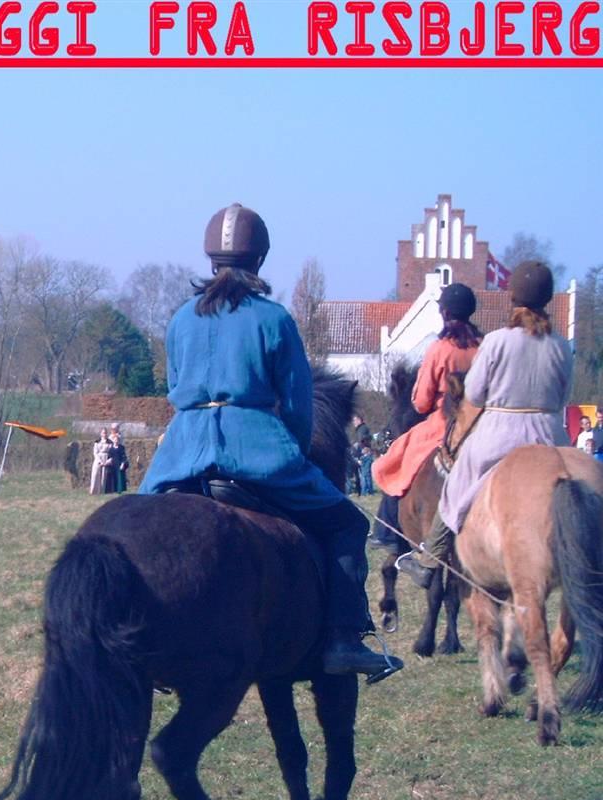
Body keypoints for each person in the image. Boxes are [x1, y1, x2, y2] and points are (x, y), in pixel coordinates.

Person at [140, 202, 402, 681]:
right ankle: (343, 640)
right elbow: (300, 408)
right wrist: (294, 451)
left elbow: (175, 388)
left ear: (210, 259)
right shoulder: (274, 319)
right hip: (255, 450)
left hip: (183, 450)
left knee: (139, 524)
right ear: (259, 260)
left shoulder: (180, 319)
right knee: (346, 524)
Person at [398, 261, 573, 589]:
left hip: (501, 431)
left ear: (513, 297)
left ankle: (430, 559)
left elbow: (475, 392)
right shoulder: (562, 345)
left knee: (455, 483)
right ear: (548, 298)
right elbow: (564, 395)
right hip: (552, 434)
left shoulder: (497, 341)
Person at [369, 284, 482, 550]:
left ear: (444, 312)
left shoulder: (440, 348)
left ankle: (386, 532)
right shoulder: (484, 346)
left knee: (396, 459)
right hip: (481, 423)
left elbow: (420, 402)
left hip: (444, 423)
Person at [106, 424, 130, 493]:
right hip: (113, 459)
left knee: (120, 475)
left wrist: (123, 463)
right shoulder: (110, 437)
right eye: (112, 428)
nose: (113, 430)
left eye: (115, 428)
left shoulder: (121, 437)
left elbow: (123, 452)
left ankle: (120, 488)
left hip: (119, 457)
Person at [90, 428, 112, 495]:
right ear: (101, 433)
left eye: (105, 432)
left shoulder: (110, 442)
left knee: (103, 476)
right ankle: (94, 491)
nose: (104, 434)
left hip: (106, 458)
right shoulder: (97, 442)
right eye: (103, 433)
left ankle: (102, 491)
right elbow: (95, 452)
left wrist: (107, 462)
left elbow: (111, 453)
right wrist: (99, 461)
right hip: (98, 459)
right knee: (95, 474)